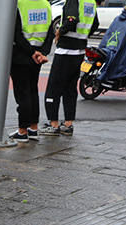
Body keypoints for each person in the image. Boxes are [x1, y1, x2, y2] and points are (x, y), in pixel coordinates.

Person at [40, 0, 99, 136]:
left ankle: (53, 124)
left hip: (65, 50)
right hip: (79, 51)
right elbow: (95, 24)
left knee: (54, 87)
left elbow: (71, 19)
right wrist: (82, 36)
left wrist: (60, 31)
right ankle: (68, 124)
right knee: (70, 88)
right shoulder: (90, 2)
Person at [9, 0, 55, 142]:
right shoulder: (45, 4)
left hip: (21, 54)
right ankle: (33, 128)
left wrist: (31, 52)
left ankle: (22, 131)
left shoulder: (19, 4)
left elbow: (16, 34)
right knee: (32, 92)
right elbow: (50, 32)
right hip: (38, 56)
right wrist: (43, 53)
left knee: (23, 94)